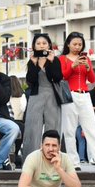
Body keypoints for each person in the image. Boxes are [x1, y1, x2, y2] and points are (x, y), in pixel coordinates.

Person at [58, 32, 95, 171]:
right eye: (74, 44)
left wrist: (88, 67)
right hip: (70, 96)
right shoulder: (62, 59)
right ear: (68, 44)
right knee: (69, 131)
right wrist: (73, 65)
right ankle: (74, 163)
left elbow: (92, 80)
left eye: (80, 44)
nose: (77, 47)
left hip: (85, 95)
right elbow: (62, 76)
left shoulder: (87, 59)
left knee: (92, 129)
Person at [21, 33, 63, 161]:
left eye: (44, 43)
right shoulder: (32, 60)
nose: (41, 46)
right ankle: (30, 161)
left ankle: (54, 159)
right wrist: (34, 64)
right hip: (36, 96)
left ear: (49, 45)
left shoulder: (55, 60)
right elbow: (30, 81)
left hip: (52, 95)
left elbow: (57, 78)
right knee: (32, 128)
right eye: (38, 43)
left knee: (53, 127)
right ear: (34, 46)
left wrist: (50, 62)